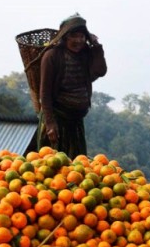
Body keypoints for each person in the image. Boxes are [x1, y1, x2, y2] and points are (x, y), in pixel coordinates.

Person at [36, 14, 107, 158]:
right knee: (53, 165)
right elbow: (45, 93)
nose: (78, 40)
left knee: (77, 166)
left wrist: (97, 47)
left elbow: (100, 71)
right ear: (65, 37)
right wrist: (50, 124)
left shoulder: (86, 53)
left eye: (82, 36)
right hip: (57, 120)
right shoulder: (52, 56)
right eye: (74, 36)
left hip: (76, 121)